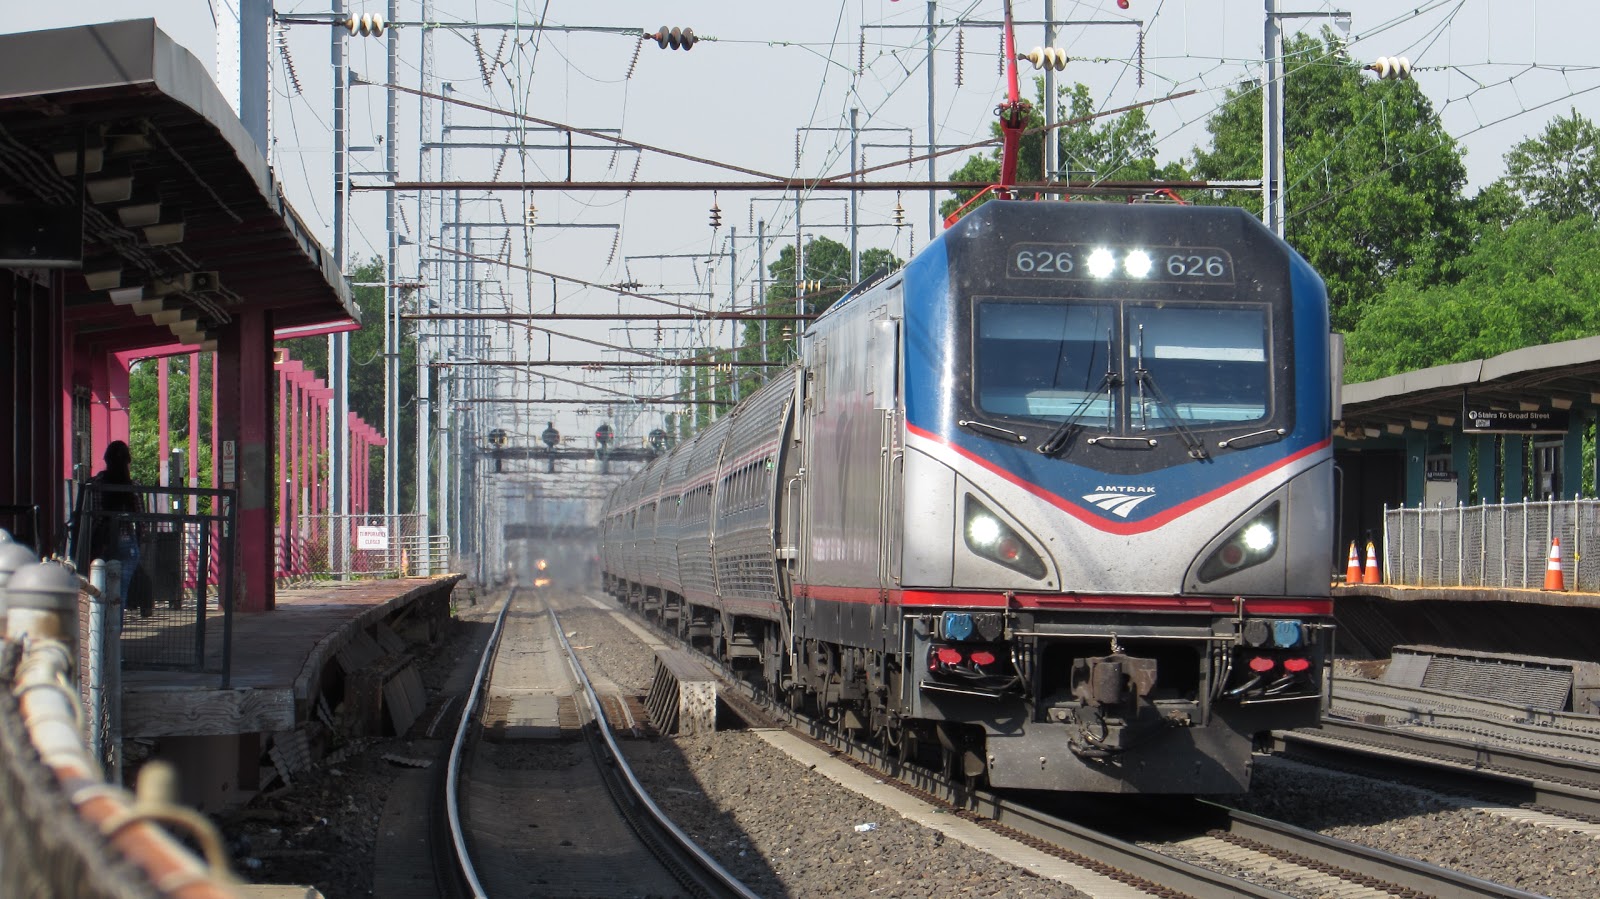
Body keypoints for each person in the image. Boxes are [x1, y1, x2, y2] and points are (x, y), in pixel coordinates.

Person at [90, 441, 145, 611]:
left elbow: (95, 517)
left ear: (107, 460)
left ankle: (99, 634)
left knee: (99, 591)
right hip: (127, 543)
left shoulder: (97, 483)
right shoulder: (132, 487)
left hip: (103, 543)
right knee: (119, 595)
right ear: (127, 461)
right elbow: (141, 520)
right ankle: (115, 633)